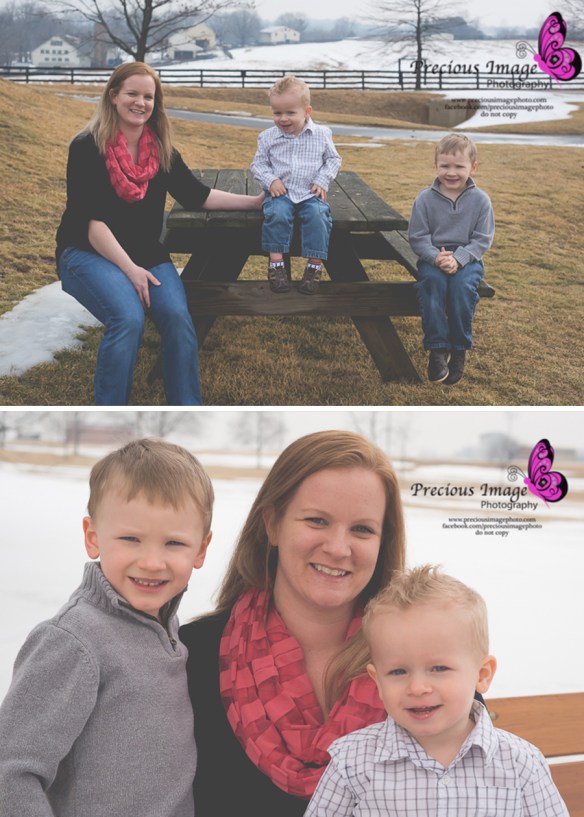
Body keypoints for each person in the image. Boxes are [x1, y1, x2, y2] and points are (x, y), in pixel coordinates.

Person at [179, 430, 405, 817]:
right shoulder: (192, 656)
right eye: (317, 520)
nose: (337, 548)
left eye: (362, 529)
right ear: (272, 524)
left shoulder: (424, 658)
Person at [0, 438, 214, 817]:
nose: (151, 562)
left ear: (200, 550)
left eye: (174, 543)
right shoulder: (74, 642)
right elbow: (11, 773)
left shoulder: (165, 627)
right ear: (93, 537)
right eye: (130, 539)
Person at [56, 62, 263, 406]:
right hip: (87, 251)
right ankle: (111, 410)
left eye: (148, 96)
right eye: (132, 94)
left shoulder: (160, 148)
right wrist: (129, 270)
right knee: (128, 318)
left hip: (145, 251)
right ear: (113, 96)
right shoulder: (87, 146)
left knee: (178, 318)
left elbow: (199, 196)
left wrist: (255, 203)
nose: (141, 103)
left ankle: (187, 407)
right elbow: (92, 222)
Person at [305, 564, 569, 817]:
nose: (418, 688)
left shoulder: (520, 763)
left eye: (439, 668)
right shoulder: (352, 762)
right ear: (378, 682)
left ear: (482, 674)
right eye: (398, 672)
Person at [408, 134, 495, 385]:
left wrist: (459, 259)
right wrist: (436, 257)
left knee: (461, 289)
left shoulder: (481, 201)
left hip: (468, 259)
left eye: (459, 166)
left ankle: (458, 348)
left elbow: (482, 239)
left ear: (473, 167)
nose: (452, 172)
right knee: (432, 285)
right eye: (445, 165)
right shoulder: (424, 199)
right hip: (434, 256)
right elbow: (418, 237)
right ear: (436, 166)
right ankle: (437, 348)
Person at [250, 75, 342, 294]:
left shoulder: (321, 134)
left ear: (306, 112)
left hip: (310, 194)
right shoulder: (268, 137)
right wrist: (271, 180)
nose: (283, 119)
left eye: (290, 113)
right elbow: (258, 164)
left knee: (319, 217)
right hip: (281, 194)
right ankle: (276, 265)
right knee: (278, 215)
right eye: (277, 113)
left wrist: (322, 180)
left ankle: (314, 267)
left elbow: (333, 159)